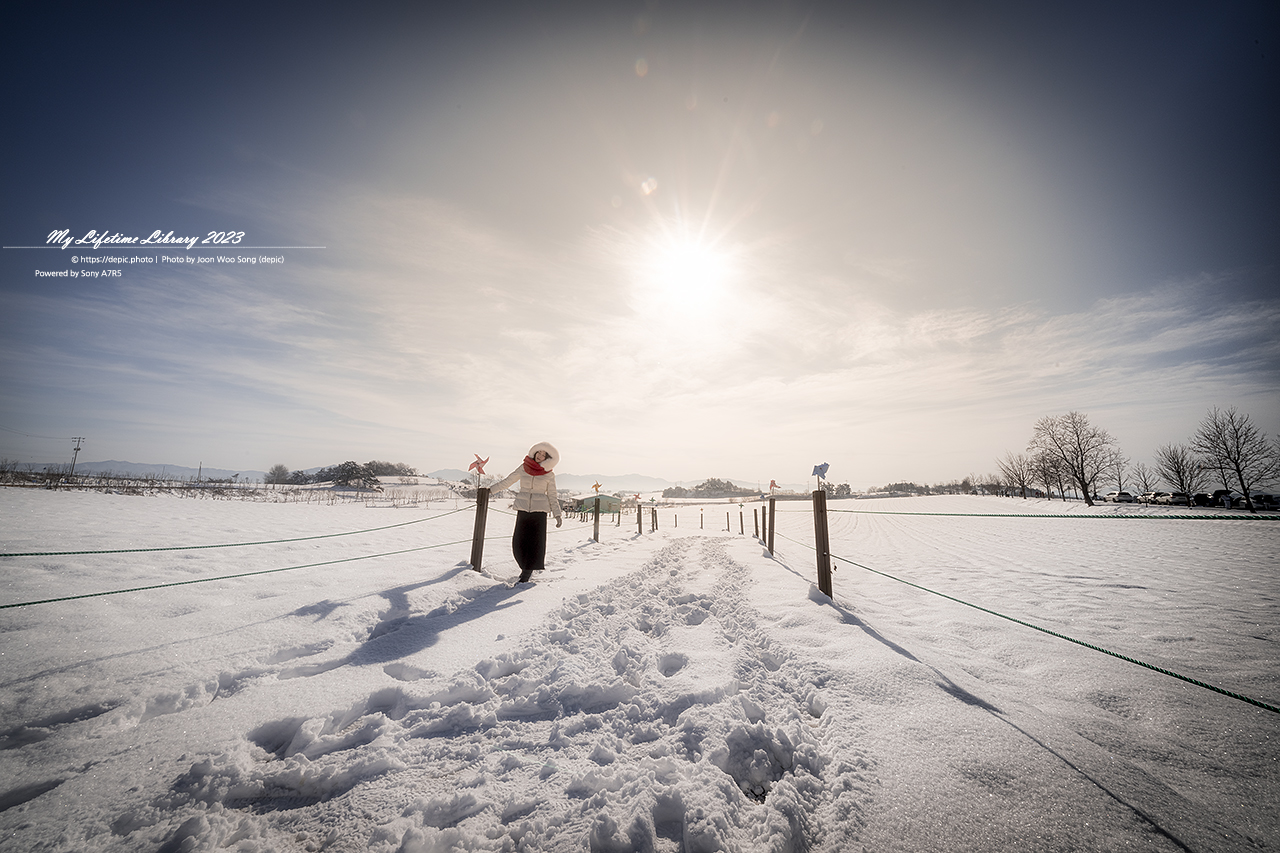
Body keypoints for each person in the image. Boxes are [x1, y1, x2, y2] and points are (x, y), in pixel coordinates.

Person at [489, 441, 563, 583]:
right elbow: (508, 481)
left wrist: (557, 514)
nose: (540, 456)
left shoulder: (549, 474)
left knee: (535, 543)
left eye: (543, 455)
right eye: (539, 453)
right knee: (518, 542)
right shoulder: (524, 467)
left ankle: (527, 571)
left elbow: (553, 495)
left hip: (539, 511)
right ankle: (524, 566)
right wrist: (490, 491)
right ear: (534, 452)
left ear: (547, 458)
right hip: (523, 508)